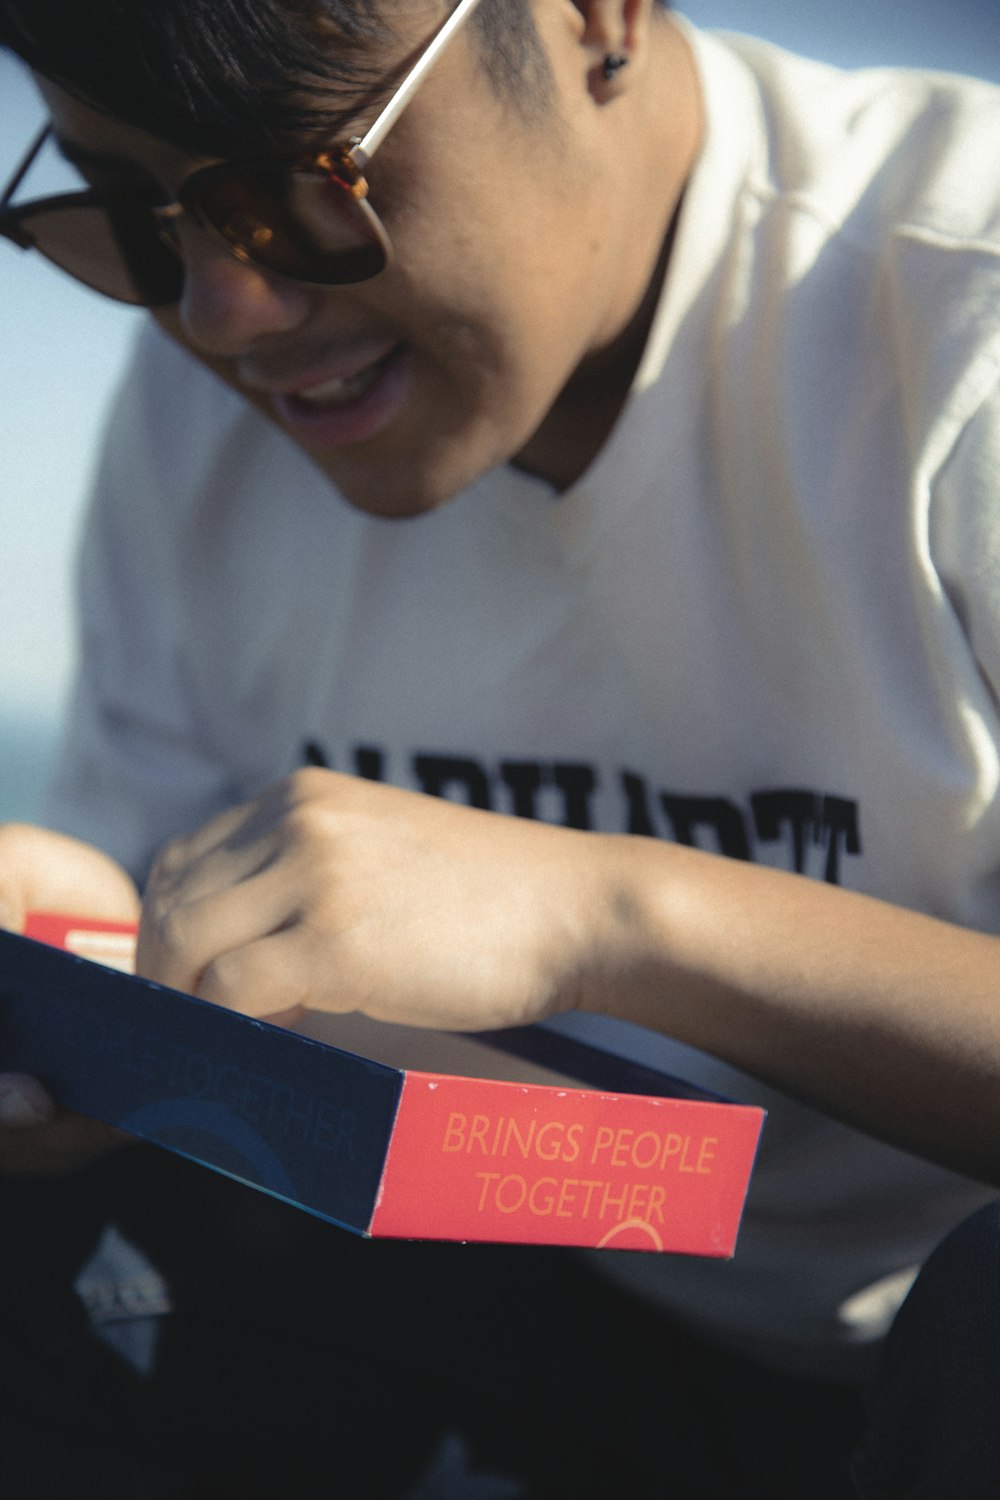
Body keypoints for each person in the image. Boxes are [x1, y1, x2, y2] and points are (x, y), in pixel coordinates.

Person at [0, 0, 999, 1493]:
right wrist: (64, 957)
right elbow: (157, 889)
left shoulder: (952, 318)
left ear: (596, 19)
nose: (222, 312)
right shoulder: (216, 419)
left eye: (296, 187)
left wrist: (603, 920)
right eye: (136, 222)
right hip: (580, 1310)